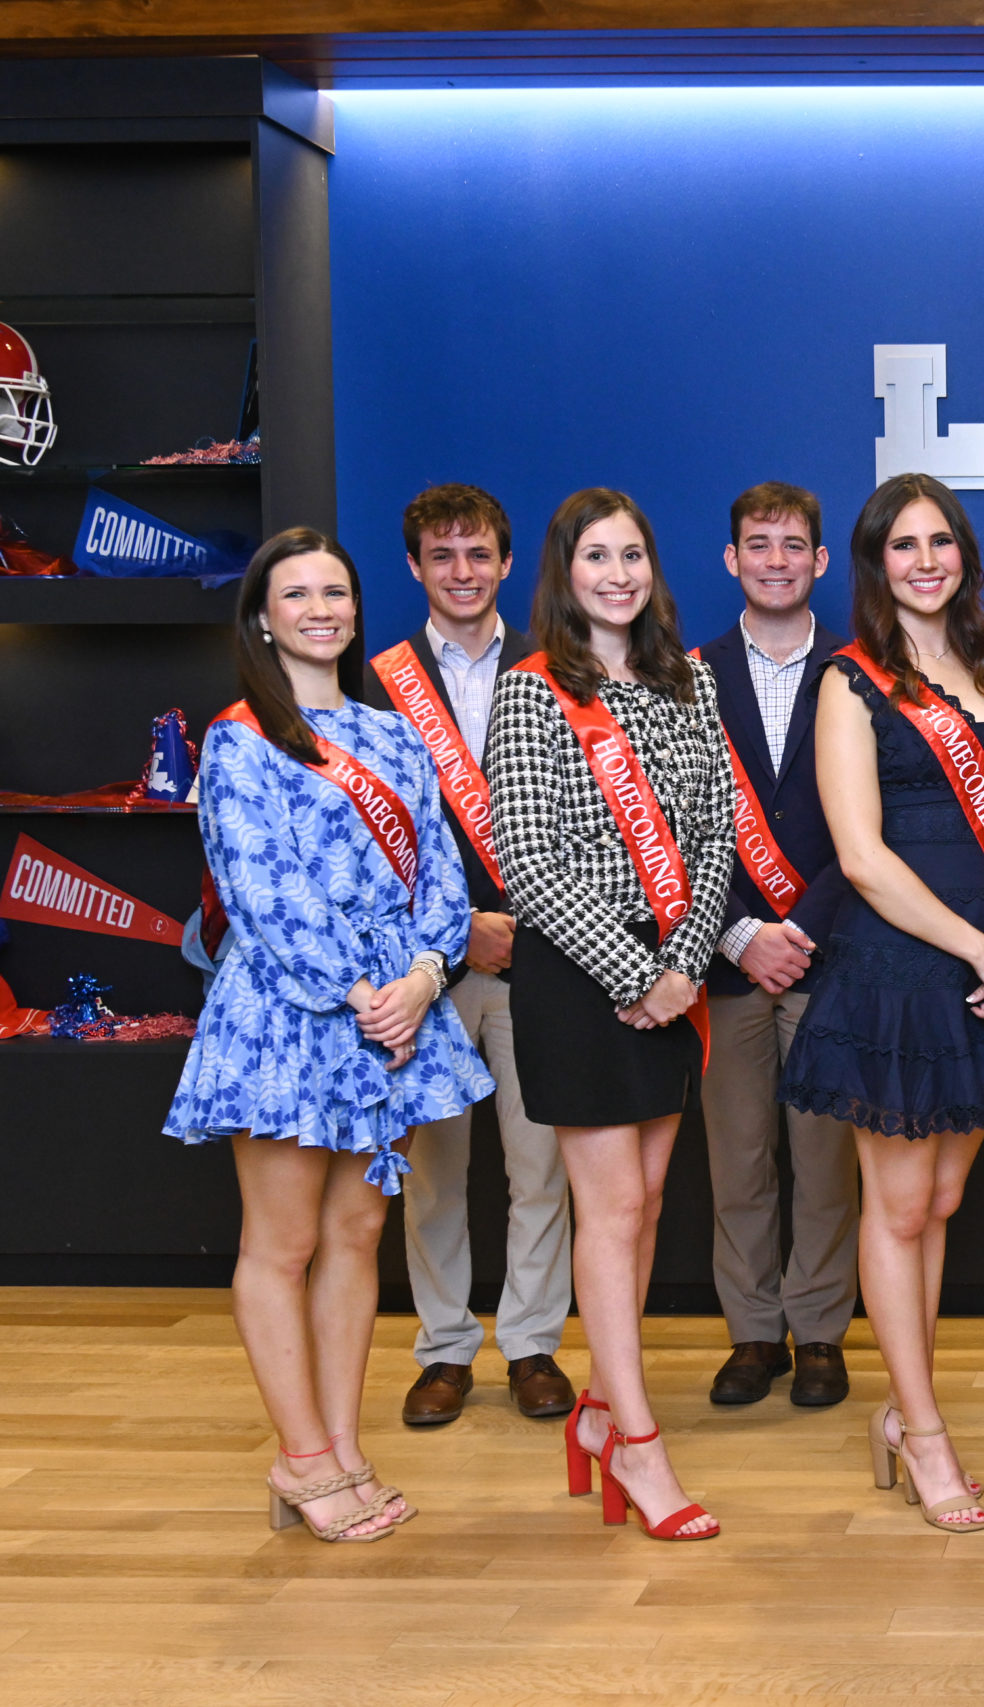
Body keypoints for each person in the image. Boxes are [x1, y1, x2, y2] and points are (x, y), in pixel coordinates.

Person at [168, 527, 493, 1542]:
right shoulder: (237, 740)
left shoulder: (393, 734)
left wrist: (426, 976)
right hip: (290, 1016)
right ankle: (300, 1455)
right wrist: (364, 990)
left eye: (336, 593)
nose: (321, 610)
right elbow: (260, 891)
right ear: (263, 617)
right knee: (285, 1240)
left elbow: (443, 872)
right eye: (298, 594)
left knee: (359, 1236)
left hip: (395, 1009)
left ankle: (343, 1446)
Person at [780, 473, 984, 1535]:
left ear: (964, 557)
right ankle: (925, 1430)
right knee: (897, 1209)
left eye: (940, 541)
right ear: (874, 562)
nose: (925, 560)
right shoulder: (851, 681)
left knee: (938, 1205)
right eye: (903, 545)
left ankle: (906, 1410)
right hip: (901, 969)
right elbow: (859, 857)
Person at [485, 488, 735, 1542]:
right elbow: (527, 863)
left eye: (633, 553)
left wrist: (678, 965)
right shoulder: (532, 692)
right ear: (565, 571)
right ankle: (637, 1440)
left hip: (674, 968)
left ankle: (598, 1408)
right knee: (613, 1212)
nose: (618, 574)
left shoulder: (692, 682)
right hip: (582, 981)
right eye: (597, 556)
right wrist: (636, 975)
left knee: (645, 1198)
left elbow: (716, 833)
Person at [362, 484, 575, 1431]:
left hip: (542, 963)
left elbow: (583, 819)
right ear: (415, 567)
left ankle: (532, 1344)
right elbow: (366, 842)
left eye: (478, 555)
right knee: (437, 1175)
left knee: (542, 1169)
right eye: (443, 557)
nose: (462, 573)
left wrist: (522, 922)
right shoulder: (377, 680)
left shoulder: (559, 666)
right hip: (430, 974)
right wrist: (457, 935)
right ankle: (445, 1349)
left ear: (505, 562)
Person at [696, 483, 862, 1410]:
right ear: (731, 559)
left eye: (793, 544)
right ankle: (754, 1332)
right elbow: (671, 830)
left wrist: (805, 927)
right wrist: (742, 931)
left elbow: (869, 825)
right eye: (756, 543)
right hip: (725, 956)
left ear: (820, 561)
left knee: (825, 1157)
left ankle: (823, 1331)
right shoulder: (684, 674)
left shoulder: (858, 669)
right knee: (740, 1156)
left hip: (830, 952)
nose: (775, 559)